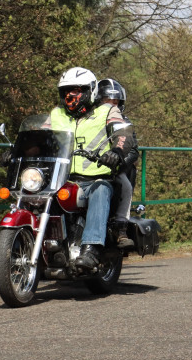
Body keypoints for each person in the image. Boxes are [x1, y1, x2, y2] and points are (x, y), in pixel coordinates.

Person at [48, 67, 133, 270]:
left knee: (101, 190)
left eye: (76, 90)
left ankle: (91, 249)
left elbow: (123, 133)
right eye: (66, 91)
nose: (70, 95)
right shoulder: (57, 114)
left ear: (90, 91)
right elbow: (38, 136)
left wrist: (117, 151)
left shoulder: (107, 111)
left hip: (95, 178)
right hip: (62, 178)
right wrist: (18, 150)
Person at [96, 78, 140, 223]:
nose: (111, 106)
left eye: (115, 102)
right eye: (107, 101)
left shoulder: (124, 122)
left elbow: (133, 151)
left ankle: (121, 224)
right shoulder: (89, 120)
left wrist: (117, 163)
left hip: (113, 167)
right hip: (89, 166)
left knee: (125, 185)